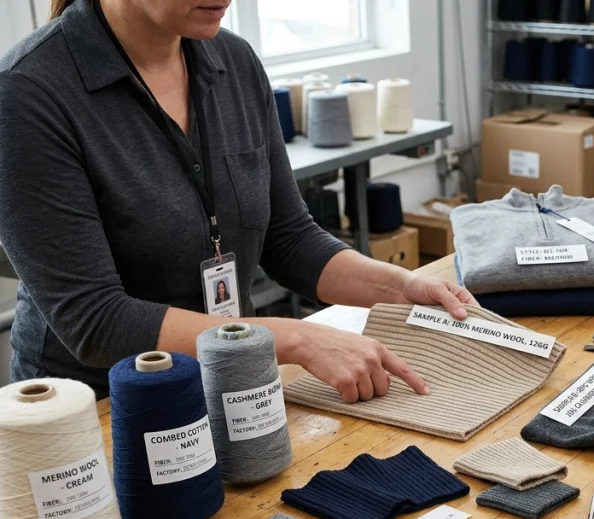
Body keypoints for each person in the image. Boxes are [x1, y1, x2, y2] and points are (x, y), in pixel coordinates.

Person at [0, 0, 475, 400]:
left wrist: (399, 287)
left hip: (231, 380)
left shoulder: (233, 60)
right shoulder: (26, 94)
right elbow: (94, 319)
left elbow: (288, 239)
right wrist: (299, 339)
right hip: (101, 410)